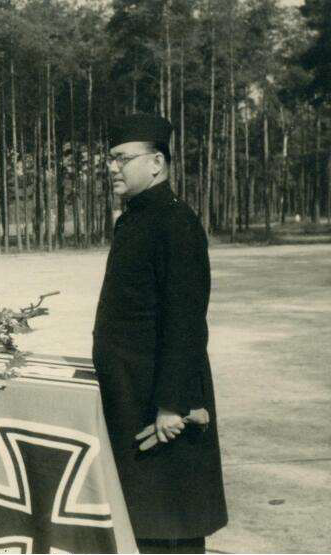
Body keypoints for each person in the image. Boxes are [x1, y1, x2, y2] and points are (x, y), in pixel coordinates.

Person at [92, 113, 227, 554]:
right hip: (134, 395)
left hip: (162, 404)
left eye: (122, 159)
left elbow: (186, 320)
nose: (112, 167)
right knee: (145, 522)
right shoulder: (135, 219)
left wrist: (172, 404)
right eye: (109, 159)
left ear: (156, 163)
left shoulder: (175, 223)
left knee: (172, 525)